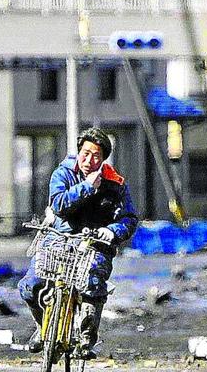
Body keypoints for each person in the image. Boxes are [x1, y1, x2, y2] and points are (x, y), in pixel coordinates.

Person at [18, 127, 139, 359]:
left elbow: (129, 218)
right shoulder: (62, 174)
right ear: (78, 152)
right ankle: (43, 327)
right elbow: (59, 204)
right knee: (30, 286)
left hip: (95, 244)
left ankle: (86, 339)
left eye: (96, 156)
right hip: (59, 239)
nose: (89, 160)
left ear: (103, 159)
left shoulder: (115, 184)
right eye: (85, 153)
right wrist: (86, 187)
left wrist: (111, 231)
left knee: (93, 284)